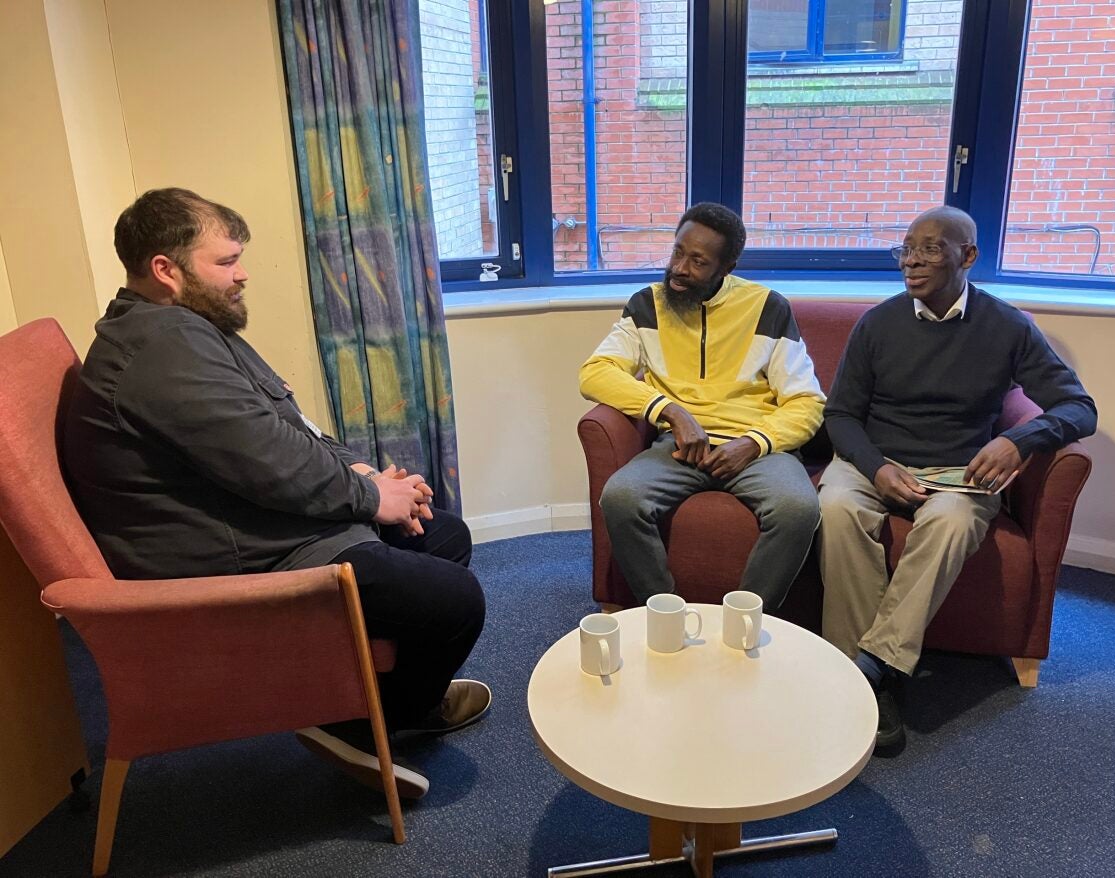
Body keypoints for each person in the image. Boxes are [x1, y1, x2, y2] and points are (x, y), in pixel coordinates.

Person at [64, 188, 490, 800]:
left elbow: (283, 425)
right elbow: (268, 463)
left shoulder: (185, 329)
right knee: (457, 601)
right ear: (166, 269)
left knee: (444, 533)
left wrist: (363, 474)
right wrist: (369, 500)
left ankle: (387, 696)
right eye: (225, 262)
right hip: (232, 563)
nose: (241, 275)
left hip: (250, 524)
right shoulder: (163, 348)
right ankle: (356, 726)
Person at [818, 205, 1097, 754]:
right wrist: (876, 466)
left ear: (967, 256)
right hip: (873, 462)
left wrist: (1019, 439)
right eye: (906, 248)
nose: (912, 260)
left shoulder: (1008, 326)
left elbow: (1078, 407)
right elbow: (840, 415)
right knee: (836, 509)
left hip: (957, 472)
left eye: (929, 248)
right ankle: (871, 680)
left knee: (950, 522)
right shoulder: (878, 323)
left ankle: (871, 667)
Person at [579, 202, 825, 611]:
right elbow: (594, 373)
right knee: (620, 498)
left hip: (756, 449)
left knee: (798, 509)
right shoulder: (647, 304)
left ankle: (745, 620)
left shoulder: (768, 308)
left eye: (697, 261)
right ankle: (665, 613)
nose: (679, 268)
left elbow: (807, 401)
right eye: (678, 252)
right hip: (677, 448)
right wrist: (670, 412)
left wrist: (754, 442)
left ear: (726, 266)